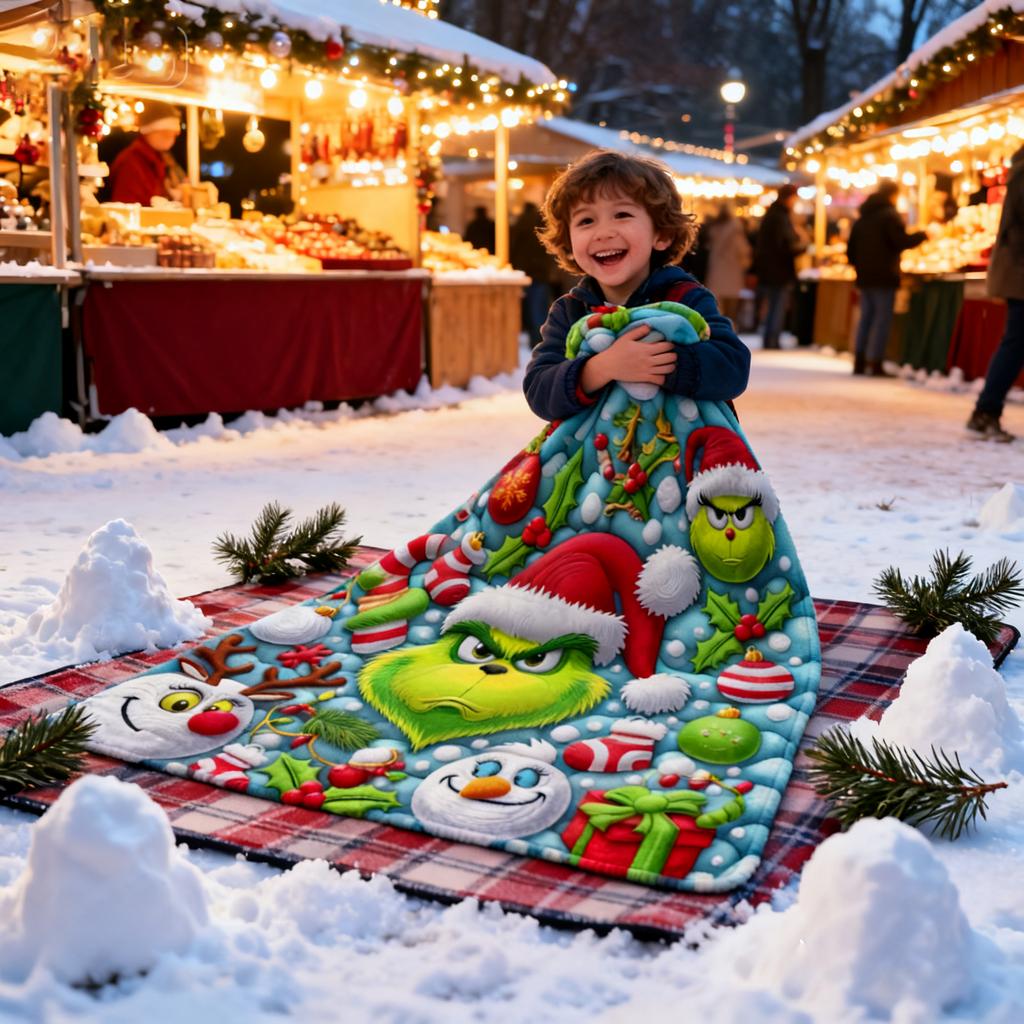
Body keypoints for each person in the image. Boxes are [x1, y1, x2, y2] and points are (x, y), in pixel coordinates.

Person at [523, 149, 750, 422]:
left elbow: (732, 368)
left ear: (662, 234)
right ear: (569, 243)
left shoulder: (685, 298)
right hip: (600, 461)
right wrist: (599, 369)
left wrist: (657, 363)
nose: (604, 232)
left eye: (622, 214)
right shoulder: (570, 311)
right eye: (586, 221)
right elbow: (539, 390)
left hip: (677, 456)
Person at [966, 143, 1024, 442]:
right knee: (1014, 345)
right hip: (1020, 274)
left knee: (1014, 345)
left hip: (1016, 273)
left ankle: (985, 411)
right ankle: (985, 412)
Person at [846, 180, 926, 377]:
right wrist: (922, 236)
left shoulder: (862, 218)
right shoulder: (889, 216)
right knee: (882, 319)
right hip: (884, 275)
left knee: (866, 318)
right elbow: (900, 241)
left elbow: (850, 251)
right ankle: (875, 362)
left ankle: (860, 359)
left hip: (865, 276)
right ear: (893, 195)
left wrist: (861, 267)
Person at [753, 183, 805, 349]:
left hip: (769, 269)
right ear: (790, 197)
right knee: (777, 306)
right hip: (779, 270)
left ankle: (770, 337)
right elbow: (784, 245)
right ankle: (771, 339)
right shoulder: (780, 217)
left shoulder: (773, 214)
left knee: (773, 305)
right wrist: (801, 246)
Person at [107, 100, 186, 206]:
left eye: (174, 135)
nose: (171, 140)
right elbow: (124, 207)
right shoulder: (131, 163)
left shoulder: (161, 160)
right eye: (166, 134)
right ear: (150, 131)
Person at [509, 202, 555, 347]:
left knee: (529, 309)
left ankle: (533, 339)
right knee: (539, 310)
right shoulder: (541, 223)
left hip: (524, 272)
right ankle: (540, 340)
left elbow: (514, 246)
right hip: (540, 272)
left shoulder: (521, 222)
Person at [704, 203, 751, 323]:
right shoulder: (735, 230)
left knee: (717, 307)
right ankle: (730, 330)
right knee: (731, 308)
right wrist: (746, 263)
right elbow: (742, 250)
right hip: (732, 271)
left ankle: (719, 330)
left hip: (716, 271)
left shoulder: (714, 228)